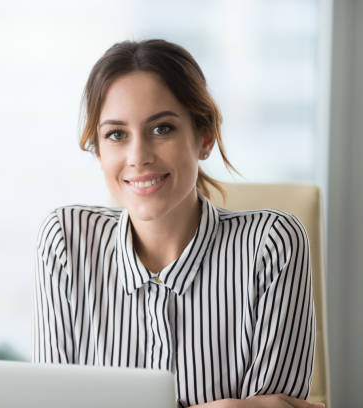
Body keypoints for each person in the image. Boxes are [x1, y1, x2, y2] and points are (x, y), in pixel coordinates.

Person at [32, 39, 319, 408]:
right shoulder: (65, 242)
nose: (138, 157)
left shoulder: (271, 245)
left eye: (162, 128)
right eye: (116, 134)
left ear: (204, 138)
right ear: (99, 151)